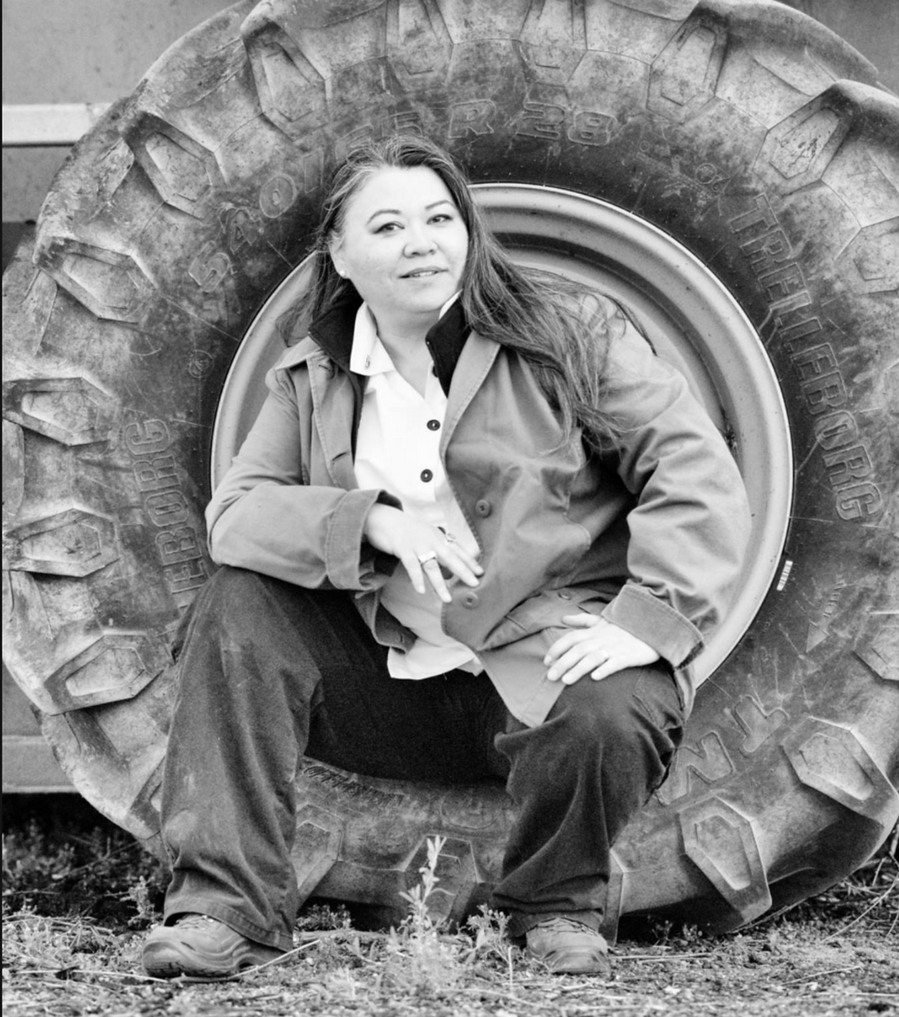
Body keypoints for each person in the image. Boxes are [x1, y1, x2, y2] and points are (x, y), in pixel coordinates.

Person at [141, 135, 751, 979]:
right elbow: (235, 518)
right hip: (386, 688)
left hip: (538, 675)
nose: (421, 241)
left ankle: (554, 901)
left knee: (619, 704)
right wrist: (373, 523)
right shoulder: (310, 374)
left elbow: (690, 464)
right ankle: (223, 907)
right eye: (387, 226)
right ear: (341, 254)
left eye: (439, 218)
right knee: (237, 601)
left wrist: (652, 617)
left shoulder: (567, 336)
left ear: (467, 230)